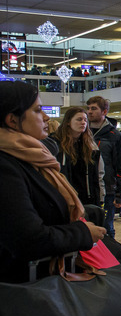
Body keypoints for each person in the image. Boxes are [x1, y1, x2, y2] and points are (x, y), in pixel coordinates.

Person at [0, 81, 104, 284]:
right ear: (12, 120)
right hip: (21, 290)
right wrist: (82, 233)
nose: (46, 117)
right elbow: (27, 238)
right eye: (38, 110)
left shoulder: (33, 159)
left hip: (42, 281)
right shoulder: (6, 166)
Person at [43, 106, 104, 208]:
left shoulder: (89, 146)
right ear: (68, 122)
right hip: (63, 198)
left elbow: (98, 174)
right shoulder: (54, 144)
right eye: (79, 119)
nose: (83, 122)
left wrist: (101, 196)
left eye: (85, 120)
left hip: (87, 199)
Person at [86, 95, 121, 237]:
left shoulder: (114, 135)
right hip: (86, 188)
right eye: (88, 108)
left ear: (104, 112)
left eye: (94, 108)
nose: (89, 112)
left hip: (107, 190)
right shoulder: (82, 133)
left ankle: (110, 257)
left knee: (106, 228)